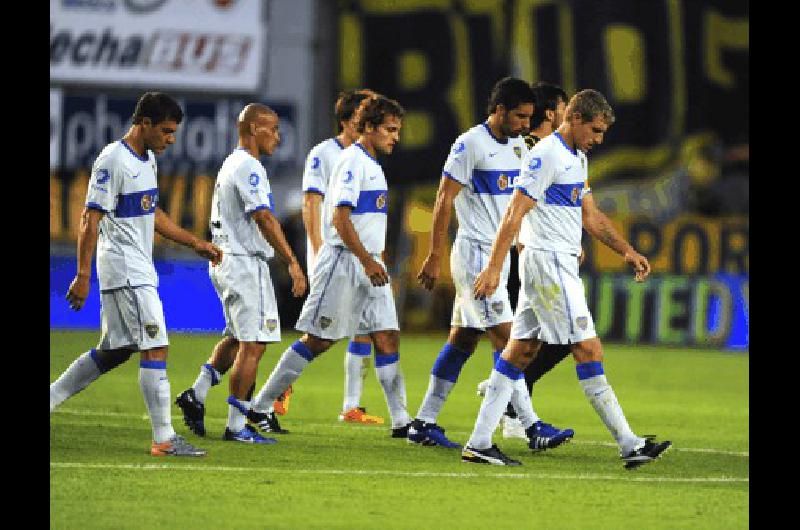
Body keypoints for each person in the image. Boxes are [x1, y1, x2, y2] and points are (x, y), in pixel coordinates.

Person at [463, 89, 671, 468]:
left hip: (556, 266)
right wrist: (494, 267)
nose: (598, 140)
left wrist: (626, 251)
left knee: (520, 350)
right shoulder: (546, 155)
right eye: (594, 130)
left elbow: (590, 216)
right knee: (588, 350)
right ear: (574, 119)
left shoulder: (575, 157)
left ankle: (478, 442)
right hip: (549, 265)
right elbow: (514, 212)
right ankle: (629, 443)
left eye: (602, 133)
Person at [50, 92, 222, 457]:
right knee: (155, 344)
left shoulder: (147, 160)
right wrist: (82, 275)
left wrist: (195, 243)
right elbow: (89, 218)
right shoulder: (113, 159)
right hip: (125, 269)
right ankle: (163, 438)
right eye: (166, 131)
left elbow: (152, 213)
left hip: (136, 268)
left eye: (174, 133)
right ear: (144, 123)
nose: (170, 140)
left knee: (114, 351)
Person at [411, 77, 573, 451]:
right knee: (509, 342)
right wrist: (435, 254)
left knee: (463, 340)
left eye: (529, 117)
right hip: (474, 257)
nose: (524, 124)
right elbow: (443, 200)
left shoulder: (519, 146)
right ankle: (531, 426)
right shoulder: (470, 145)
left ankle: (423, 421)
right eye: (518, 116)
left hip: (497, 258)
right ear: (498, 110)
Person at [244, 94, 413, 438]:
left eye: (398, 130)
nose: (396, 137)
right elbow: (338, 218)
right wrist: (366, 260)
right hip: (346, 263)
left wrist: (374, 259)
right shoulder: (351, 162)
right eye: (390, 130)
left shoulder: (373, 164)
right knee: (318, 340)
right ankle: (259, 407)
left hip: (370, 265)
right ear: (368, 128)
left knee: (387, 337)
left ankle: (403, 421)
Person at [174, 104, 307, 443]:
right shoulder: (249, 167)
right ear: (251, 130)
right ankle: (236, 425)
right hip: (243, 262)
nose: (278, 135)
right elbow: (263, 217)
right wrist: (291, 260)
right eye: (272, 129)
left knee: (236, 337)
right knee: (255, 343)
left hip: (225, 260)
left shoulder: (231, 163)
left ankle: (197, 393)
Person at [476, 82, 574, 440]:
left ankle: (512, 408)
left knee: (521, 337)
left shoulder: (546, 150)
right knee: (551, 338)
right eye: (563, 107)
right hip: (520, 253)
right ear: (553, 113)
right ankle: (509, 395)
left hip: (525, 251)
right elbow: (517, 205)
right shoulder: (534, 150)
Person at [301, 89, 386, 425]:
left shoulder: (369, 158)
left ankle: (352, 405)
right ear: (351, 120)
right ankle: (278, 389)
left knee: (362, 329)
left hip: (358, 255)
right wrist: (319, 249)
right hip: (332, 252)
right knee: (324, 335)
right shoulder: (325, 153)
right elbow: (312, 203)